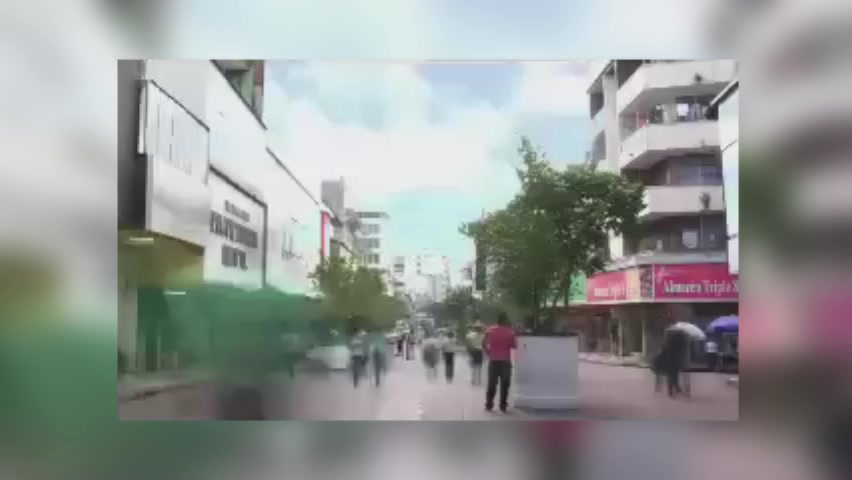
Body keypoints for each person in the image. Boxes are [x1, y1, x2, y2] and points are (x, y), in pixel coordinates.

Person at [483, 312, 517, 412]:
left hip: (493, 360)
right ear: (505, 321)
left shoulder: (490, 330)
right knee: (505, 384)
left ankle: (489, 404)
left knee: (492, 384)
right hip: (505, 361)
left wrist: (489, 353)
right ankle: (503, 405)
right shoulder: (510, 332)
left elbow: (484, 343)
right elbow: (514, 346)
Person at [657, 328, 688, 397]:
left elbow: (663, 352)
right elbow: (682, 353)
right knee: (675, 375)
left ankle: (671, 389)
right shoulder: (680, 345)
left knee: (670, 375)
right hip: (675, 362)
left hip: (668, 362)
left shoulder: (668, 344)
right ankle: (676, 387)